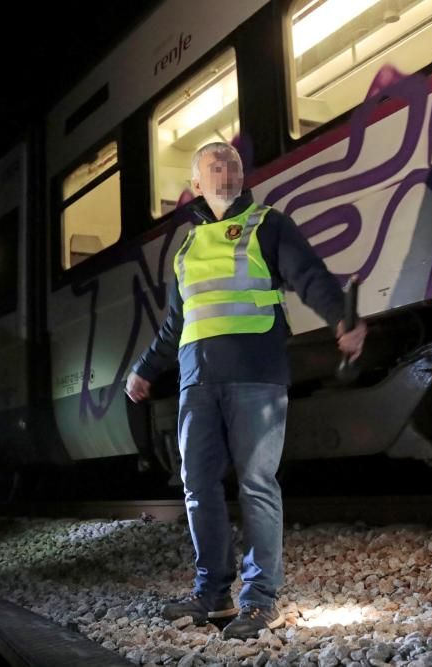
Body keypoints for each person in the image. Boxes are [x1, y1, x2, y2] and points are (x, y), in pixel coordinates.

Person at [125, 142, 367, 639]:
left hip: (256, 372)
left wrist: (341, 316)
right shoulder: (187, 248)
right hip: (197, 381)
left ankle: (260, 600)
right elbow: (176, 322)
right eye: (214, 164)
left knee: (257, 484)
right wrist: (145, 369)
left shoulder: (268, 223)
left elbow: (308, 274)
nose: (226, 169)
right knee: (197, 488)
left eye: (233, 162)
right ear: (195, 185)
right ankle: (211, 594)